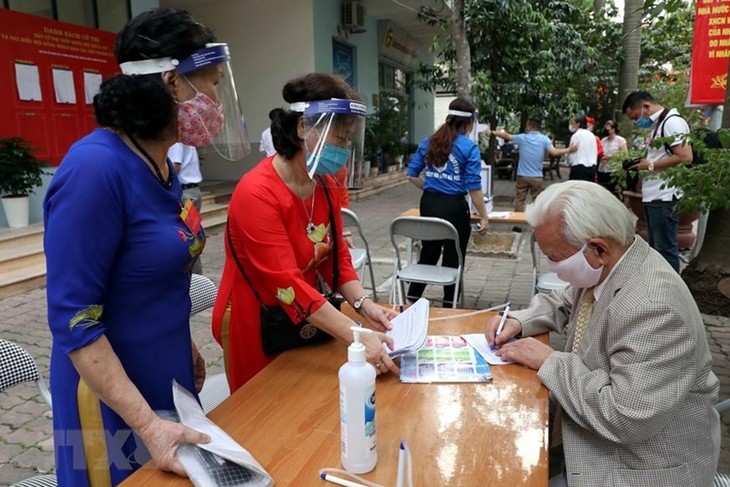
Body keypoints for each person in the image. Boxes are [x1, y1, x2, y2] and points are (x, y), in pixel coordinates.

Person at [43, 8, 249, 485]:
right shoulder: (94, 171)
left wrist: (183, 340)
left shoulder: (163, 167)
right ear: (173, 84)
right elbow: (74, 321)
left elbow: (150, 274)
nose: (217, 100)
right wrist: (149, 427)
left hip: (166, 380)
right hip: (113, 402)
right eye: (212, 84)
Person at [485, 180, 720, 487]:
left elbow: (626, 416)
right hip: (599, 436)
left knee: (508, 468)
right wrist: (519, 321)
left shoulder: (652, 307)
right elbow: (567, 300)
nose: (549, 266)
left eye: (555, 257)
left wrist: (550, 361)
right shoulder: (617, 261)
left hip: (637, 466)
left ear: (597, 249)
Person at [211, 73, 398, 391]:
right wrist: (356, 333)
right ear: (302, 127)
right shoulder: (256, 193)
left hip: (307, 316)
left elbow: (335, 258)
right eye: (338, 138)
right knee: (265, 411)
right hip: (257, 319)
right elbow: (287, 284)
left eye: (348, 139)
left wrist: (366, 306)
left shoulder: (325, 182)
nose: (344, 149)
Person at [405, 98, 489, 307]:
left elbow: (411, 175)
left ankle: (410, 300)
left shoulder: (429, 141)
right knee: (454, 258)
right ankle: (449, 305)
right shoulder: (469, 147)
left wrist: (433, 186)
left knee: (428, 253)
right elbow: (474, 187)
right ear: (469, 122)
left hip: (429, 203)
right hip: (454, 208)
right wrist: (484, 215)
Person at [622, 91, 692, 272]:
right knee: (657, 250)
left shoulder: (672, 122)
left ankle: (670, 294)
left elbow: (685, 156)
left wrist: (650, 165)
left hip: (664, 197)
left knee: (665, 250)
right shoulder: (659, 125)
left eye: (635, 117)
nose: (636, 122)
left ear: (646, 107)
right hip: (654, 196)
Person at [491, 118, 571, 212]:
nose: (526, 127)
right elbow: (554, 152)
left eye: (527, 125)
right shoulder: (544, 139)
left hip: (522, 175)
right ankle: (535, 223)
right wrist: (569, 150)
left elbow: (506, 136)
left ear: (530, 126)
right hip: (537, 176)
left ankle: (518, 224)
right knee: (537, 200)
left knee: (520, 200)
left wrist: (492, 132)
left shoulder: (523, 138)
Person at [168, 142, 203, 273]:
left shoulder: (176, 141)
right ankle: (196, 278)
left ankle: (194, 279)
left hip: (186, 194)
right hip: (191, 191)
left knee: (188, 241)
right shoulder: (187, 139)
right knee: (192, 240)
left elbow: (174, 165)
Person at [597, 120, 628, 197]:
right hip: (603, 169)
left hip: (614, 169)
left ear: (613, 129)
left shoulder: (620, 140)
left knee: (613, 192)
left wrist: (611, 156)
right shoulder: (603, 140)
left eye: (608, 128)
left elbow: (625, 154)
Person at [565, 114, 598, 181]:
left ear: (578, 124)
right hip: (592, 168)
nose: (571, 125)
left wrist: (568, 162)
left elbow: (571, 152)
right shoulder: (592, 135)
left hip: (579, 168)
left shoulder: (576, 136)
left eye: (573, 123)